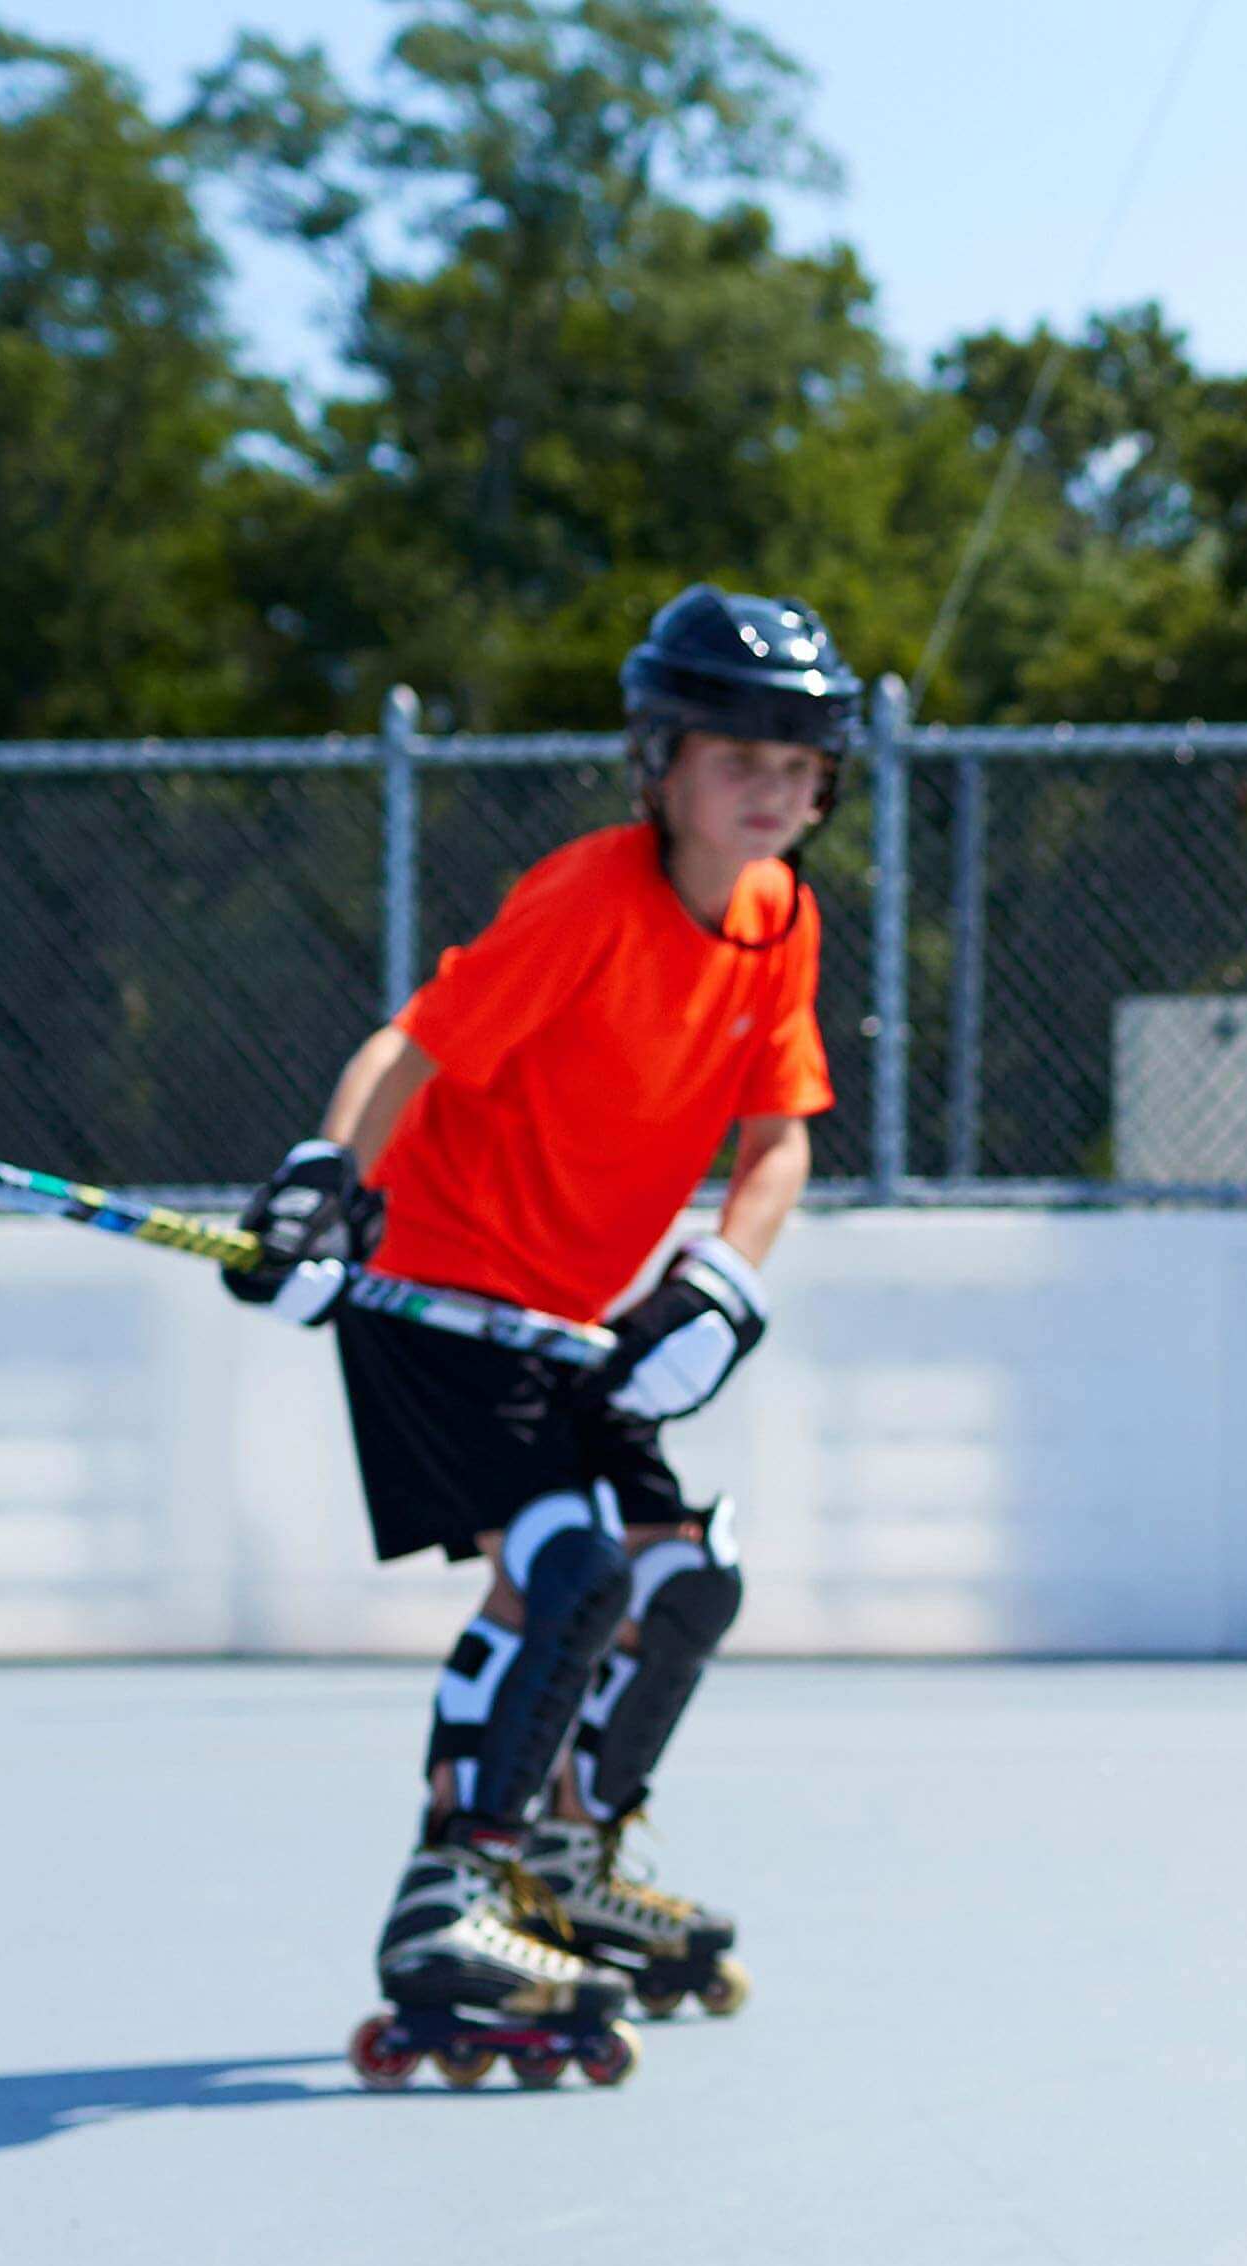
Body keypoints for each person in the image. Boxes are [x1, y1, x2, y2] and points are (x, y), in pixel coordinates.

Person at [222, 584, 858, 2087]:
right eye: (736, 755)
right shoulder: (590, 897)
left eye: (799, 762)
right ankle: (455, 1890)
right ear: (661, 765)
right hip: (439, 1287)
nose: (770, 785)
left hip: (573, 1318)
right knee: (566, 1560)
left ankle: (569, 1858)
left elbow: (779, 1145)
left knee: (684, 1579)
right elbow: (413, 1046)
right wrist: (328, 1188)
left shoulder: (780, 921)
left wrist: (721, 1287)